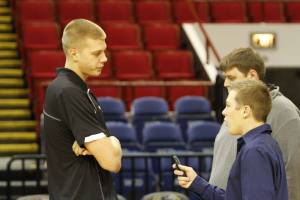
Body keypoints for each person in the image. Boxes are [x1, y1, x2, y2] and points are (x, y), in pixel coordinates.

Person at [43, 19, 122, 200]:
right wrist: (114, 142)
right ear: (74, 53)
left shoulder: (70, 88)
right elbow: (112, 162)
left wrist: (109, 143)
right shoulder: (69, 92)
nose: (104, 58)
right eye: (97, 53)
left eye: (104, 51)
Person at [209, 48, 300, 200]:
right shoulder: (236, 108)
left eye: (231, 77)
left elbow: (293, 171)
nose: (225, 83)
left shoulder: (284, 111)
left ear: (252, 75)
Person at [173, 79, 288, 200]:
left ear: (245, 111)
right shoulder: (265, 144)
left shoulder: (255, 150)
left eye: (228, 106)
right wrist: (197, 183)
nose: (224, 112)